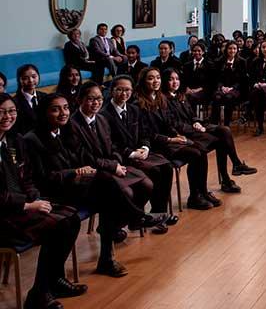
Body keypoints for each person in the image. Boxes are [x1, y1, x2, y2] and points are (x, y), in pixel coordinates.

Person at [24, 94, 131, 277]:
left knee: (107, 191)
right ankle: (135, 217)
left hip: (74, 186)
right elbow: (42, 178)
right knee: (108, 188)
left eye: (66, 108)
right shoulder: (32, 139)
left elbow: (81, 158)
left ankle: (107, 258)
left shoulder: (66, 131)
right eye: (56, 109)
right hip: (53, 193)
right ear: (44, 112)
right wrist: (74, 172)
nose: (63, 113)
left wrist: (83, 170)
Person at [0, 93, 87, 309]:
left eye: (11, 111)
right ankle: (39, 293)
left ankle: (51, 283)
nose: (8, 116)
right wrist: (27, 205)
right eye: (1, 112)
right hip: (3, 213)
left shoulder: (14, 141)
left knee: (71, 219)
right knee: (55, 226)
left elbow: (26, 177)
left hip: (22, 205)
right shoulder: (25, 138)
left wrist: (35, 198)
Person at [69, 82, 164, 237]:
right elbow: (84, 157)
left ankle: (123, 222)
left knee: (147, 184)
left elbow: (112, 146)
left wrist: (116, 162)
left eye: (99, 98)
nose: (96, 103)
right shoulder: (72, 124)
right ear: (80, 100)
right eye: (91, 99)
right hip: (90, 173)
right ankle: (132, 219)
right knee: (125, 191)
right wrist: (113, 166)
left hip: (111, 165)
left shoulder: (101, 119)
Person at [133, 68, 215, 211]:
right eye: (151, 78)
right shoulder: (137, 104)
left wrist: (176, 134)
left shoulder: (160, 98)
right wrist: (170, 140)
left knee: (201, 149)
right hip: (155, 145)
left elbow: (168, 123)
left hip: (168, 140)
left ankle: (200, 193)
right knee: (195, 154)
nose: (155, 81)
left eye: (157, 77)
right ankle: (194, 197)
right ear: (143, 82)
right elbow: (145, 133)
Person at [101, 76, 176, 226]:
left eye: (127, 90)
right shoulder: (104, 114)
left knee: (167, 167)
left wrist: (145, 147)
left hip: (140, 153)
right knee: (154, 171)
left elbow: (144, 133)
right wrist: (131, 153)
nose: (124, 93)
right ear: (112, 91)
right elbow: (110, 144)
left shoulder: (134, 109)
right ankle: (137, 218)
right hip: (123, 157)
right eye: (120, 89)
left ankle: (158, 213)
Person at [161, 69, 255, 189]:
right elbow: (173, 124)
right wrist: (194, 127)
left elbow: (192, 114)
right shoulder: (164, 100)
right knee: (220, 140)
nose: (175, 82)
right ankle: (225, 179)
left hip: (194, 126)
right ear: (165, 81)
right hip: (184, 133)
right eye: (171, 79)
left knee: (224, 130)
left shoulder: (181, 95)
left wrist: (196, 122)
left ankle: (236, 164)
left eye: (177, 79)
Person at [211, 40, 246, 126]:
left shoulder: (242, 62)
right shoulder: (219, 61)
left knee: (228, 97)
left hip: (235, 89)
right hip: (221, 88)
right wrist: (222, 87)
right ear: (226, 49)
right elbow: (216, 78)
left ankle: (227, 124)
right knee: (217, 97)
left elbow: (242, 79)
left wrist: (232, 88)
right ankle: (214, 124)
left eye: (234, 48)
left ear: (237, 50)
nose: (232, 51)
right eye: (230, 48)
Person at [13, 64, 42, 135]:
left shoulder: (45, 96)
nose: (31, 80)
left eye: (34, 76)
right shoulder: (14, 102)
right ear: (19, 80)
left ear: (38, 76)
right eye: (25, 78)